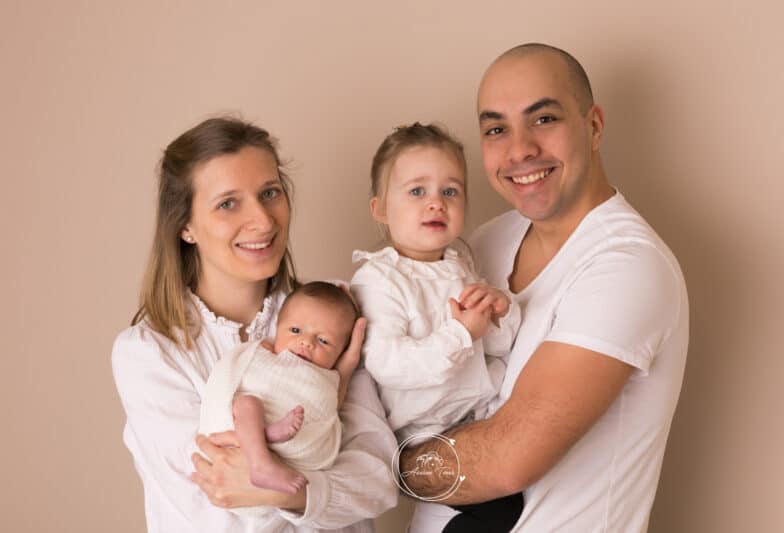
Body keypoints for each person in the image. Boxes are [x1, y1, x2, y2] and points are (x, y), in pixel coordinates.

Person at [399, 44, 690, 532]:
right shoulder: (485, 244)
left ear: (593, 126)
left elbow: (505, 459)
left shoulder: (627, 265)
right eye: (496, 129)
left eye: (544, 119)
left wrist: (368, 465)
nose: (519, 150)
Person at [111, 117, 397, 533]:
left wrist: (282, 488)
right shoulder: (148, 354)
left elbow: (380, 480)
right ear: (185, 226)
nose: (263, 220)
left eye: (269, 193)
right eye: (228, 203)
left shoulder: (332, 315)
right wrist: (320, 484)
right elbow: (218, 516)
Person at [350, 123, 523, 533]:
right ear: (380, 209)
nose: (436, 204)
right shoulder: (378, 280)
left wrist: (500, 311)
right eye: (416, 192)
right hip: (422, 432)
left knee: (521, 492)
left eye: (450, 191)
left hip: (476, 414)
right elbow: (390, 364)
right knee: (498, 508)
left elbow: (493, 345)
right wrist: (460, 335)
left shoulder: (460, 264)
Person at [198, 281, 359, 501]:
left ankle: (267, 437)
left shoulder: (329, 379)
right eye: (295, 330)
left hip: (292, 445)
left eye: (323, 340)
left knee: (253, 409)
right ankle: (261, 461)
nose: (306, 342)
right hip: (237, 431)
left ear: (340, 352)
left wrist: (346, 370)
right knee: (247, 404)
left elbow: (326, 409)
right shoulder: (263, 353)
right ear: (277, 328)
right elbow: (235, 375)